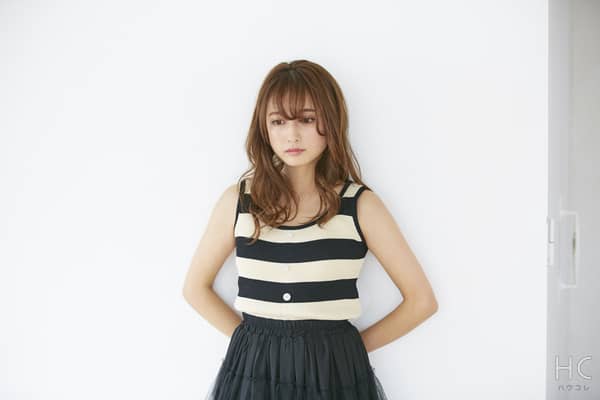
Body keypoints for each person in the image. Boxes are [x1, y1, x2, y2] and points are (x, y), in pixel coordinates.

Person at [182, 59, 438, 399]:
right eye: (278, 121)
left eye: (306, 119)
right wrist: (254, 345)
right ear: (264, 128)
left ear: (330, 121)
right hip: (254, 374)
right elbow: (195, 288)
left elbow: (421, 301)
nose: (292, 135)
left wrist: (345, 350)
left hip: (332, 373)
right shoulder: (240, 201)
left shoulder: (359, 205)